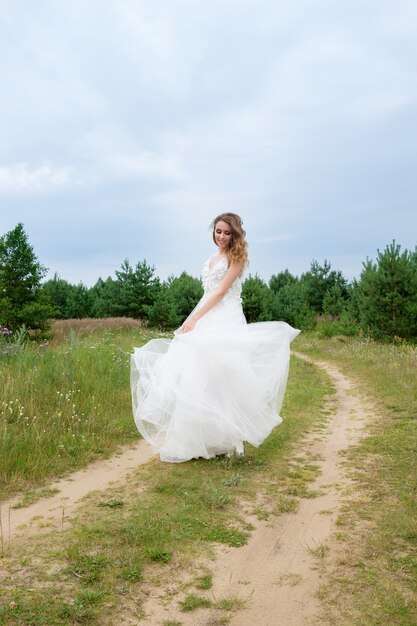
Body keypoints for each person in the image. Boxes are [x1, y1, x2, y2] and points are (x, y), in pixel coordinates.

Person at [130, 213, 300, 463]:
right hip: (206, 313)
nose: (221, 236)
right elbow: (209, 291)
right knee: (197, 376)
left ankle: (231, 438)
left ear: (235, 235)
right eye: (218, 231)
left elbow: (221, 292)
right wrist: (196, 318)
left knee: (225, 376)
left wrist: (194, 318)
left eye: (227, 232)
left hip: (225, 318)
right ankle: (198, 441)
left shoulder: (237, 257)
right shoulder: (212, 258)